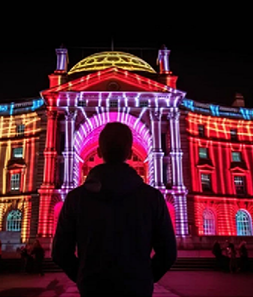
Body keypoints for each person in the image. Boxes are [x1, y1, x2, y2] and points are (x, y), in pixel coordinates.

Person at [52, 122, 177, 297]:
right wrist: (144, 278)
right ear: (130, 152)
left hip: (92, 289)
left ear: (99, 152)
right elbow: (168, 252)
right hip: (137, 288)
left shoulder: (75, 198)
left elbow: (60, 252)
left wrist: (84, 277)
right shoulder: (153, 198)